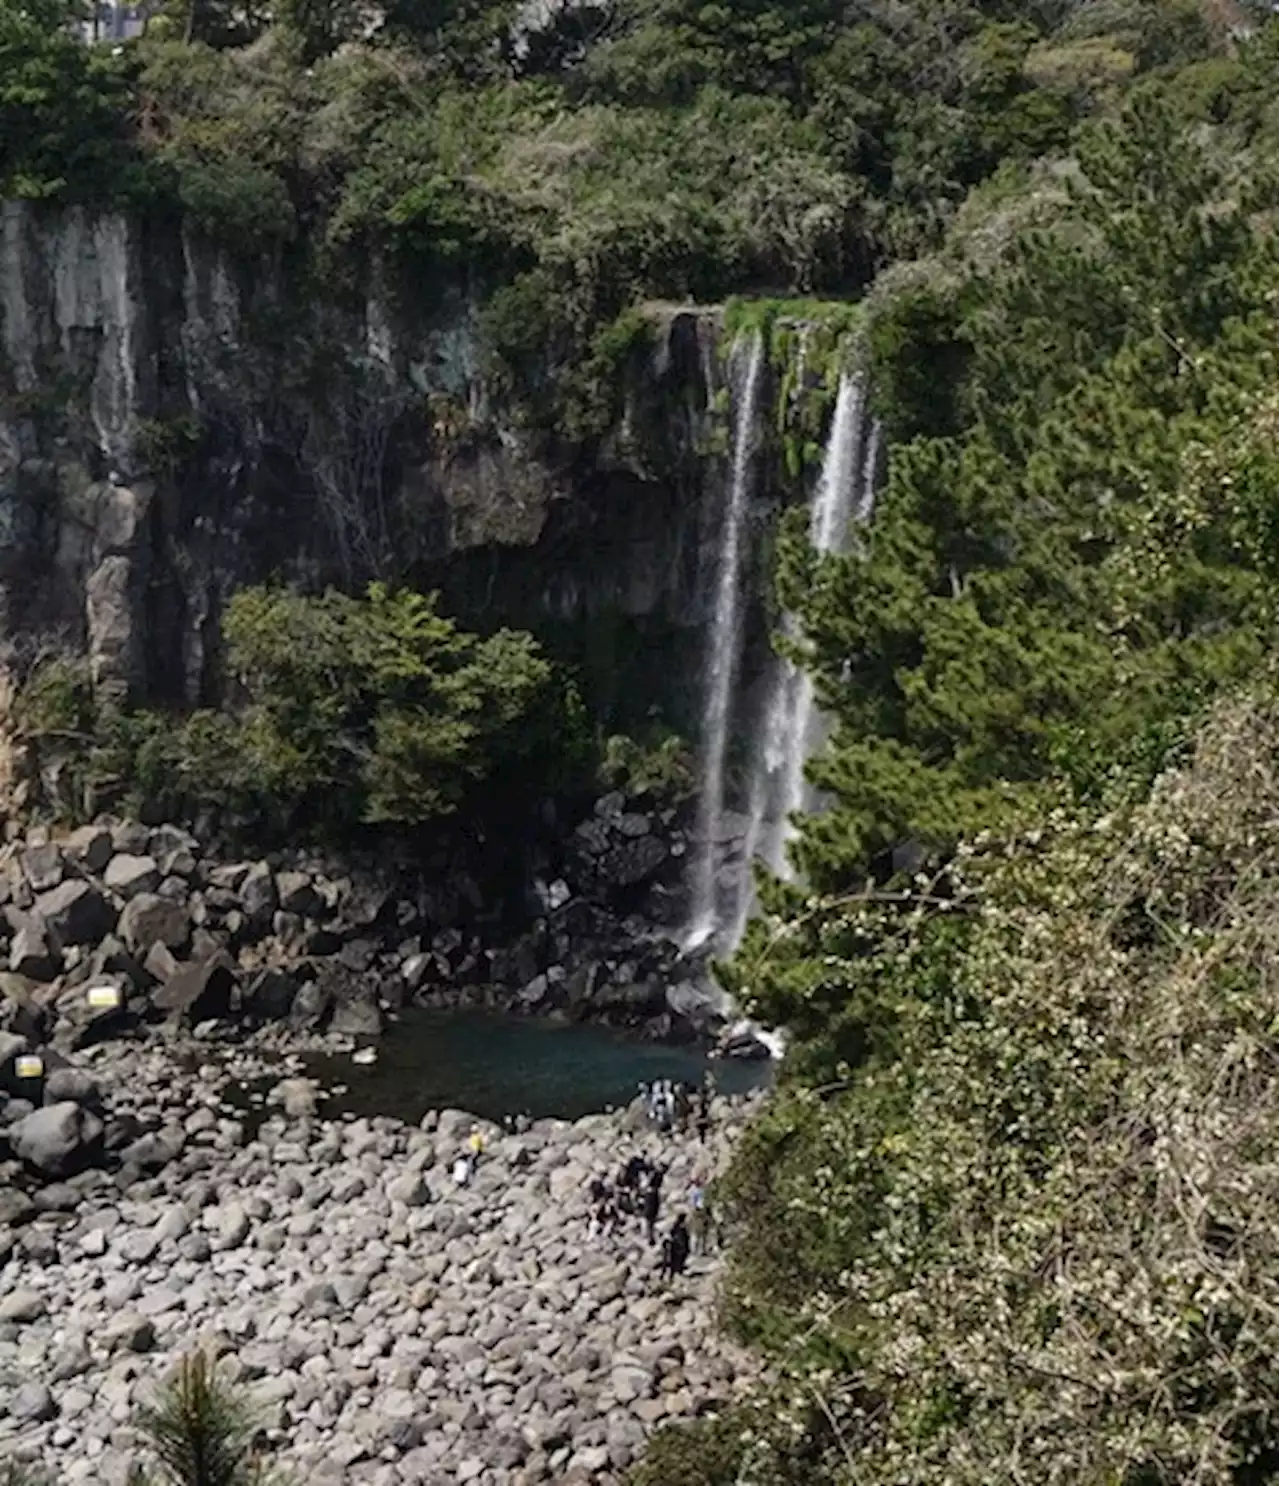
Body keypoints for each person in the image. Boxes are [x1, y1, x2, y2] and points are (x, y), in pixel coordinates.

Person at [660, 1215, 691, 1281]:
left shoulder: (677, 1227)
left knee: (672, 1263)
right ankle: (670, 1277)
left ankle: (668, 1276)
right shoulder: (681, 1228)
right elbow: (685, 1239)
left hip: (676, 1247)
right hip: (677, 1248)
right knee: (673, 1263)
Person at [642, 1174, 661, 1245]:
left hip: (648, 1211)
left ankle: (649, 1238)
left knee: (649, 1225)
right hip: (652, 1212)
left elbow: (646, 1202)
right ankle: (650, 1238)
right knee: (651, 1226)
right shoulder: (655, 1193)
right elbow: (657, 1203)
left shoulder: (648, 1193)